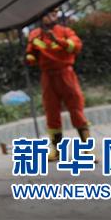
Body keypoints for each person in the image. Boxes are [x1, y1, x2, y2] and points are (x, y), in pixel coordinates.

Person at [25, 9, 91, 162]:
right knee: (51, 113)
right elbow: (31, 53)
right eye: (46, 15)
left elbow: (76, 47)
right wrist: (29, 58)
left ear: (56, 15)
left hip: (66, 74)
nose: (49, 17)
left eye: (52, 14)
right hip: (48, 77)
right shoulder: (35, 34)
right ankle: (56, 151)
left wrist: (57, 40)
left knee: (76, 110)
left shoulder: (66, 31)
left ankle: (87, 149)